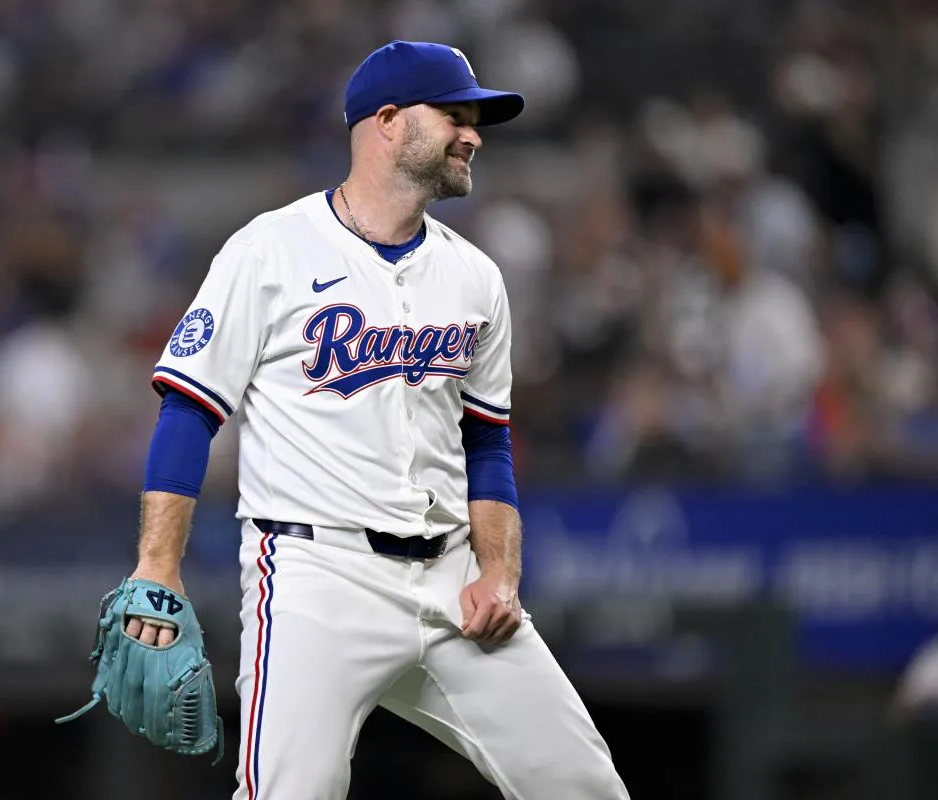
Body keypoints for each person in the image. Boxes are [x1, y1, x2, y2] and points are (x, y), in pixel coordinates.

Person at [128, 40, 629, 799]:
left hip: (452, 576)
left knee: (585, 786)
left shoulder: (475, 277)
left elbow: (487, 442)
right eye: (454, 115)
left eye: (475, 119)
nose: (473, 134)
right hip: (317, 575)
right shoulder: (270, 251)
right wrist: (157, 564)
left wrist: (500, 569)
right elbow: (188, 414)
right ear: (387, 123)